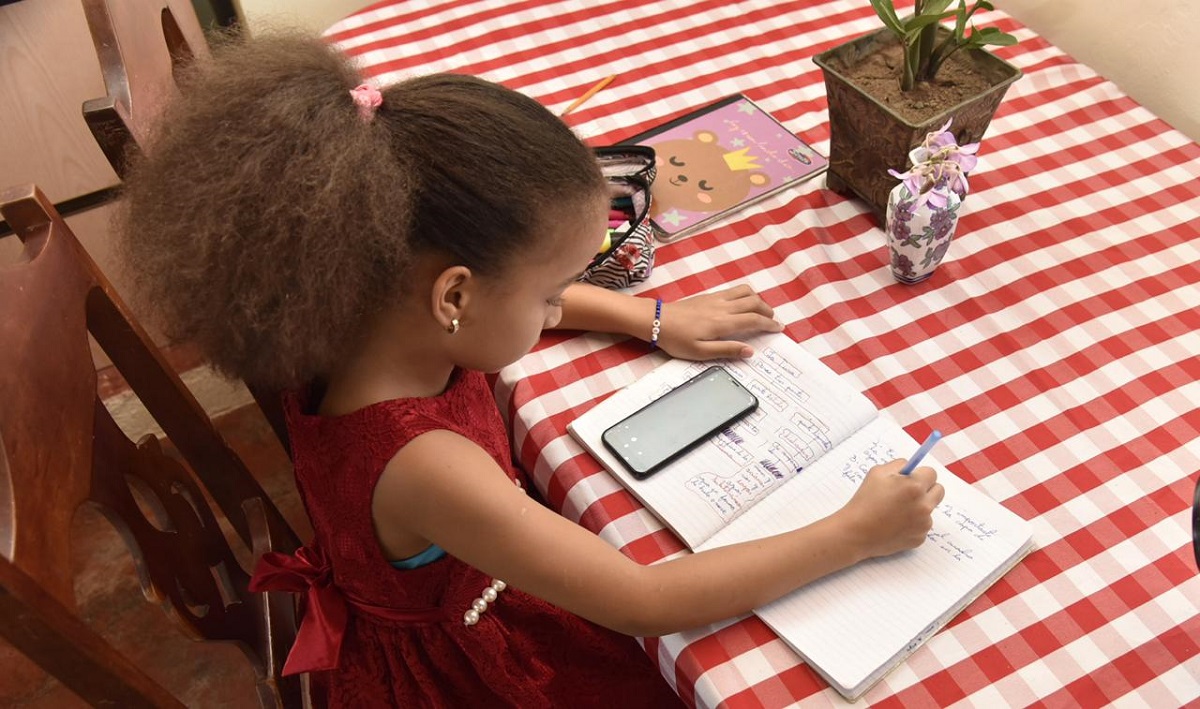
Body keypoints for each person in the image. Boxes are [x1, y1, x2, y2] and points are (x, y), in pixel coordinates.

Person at [116, 32, 944, 708]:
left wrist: (651, 316)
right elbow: (643, 600)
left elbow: (509, 302)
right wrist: (852, 532)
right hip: (468, 669)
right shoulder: (423, 465)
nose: (560, 306)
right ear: (454, 297)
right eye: (552, 292)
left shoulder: (361, 312)